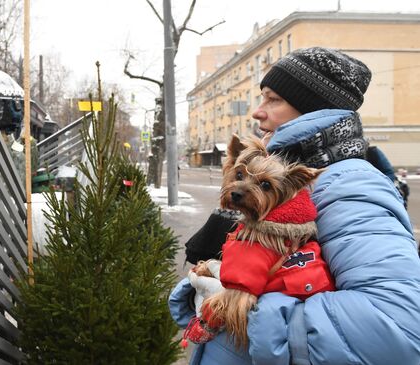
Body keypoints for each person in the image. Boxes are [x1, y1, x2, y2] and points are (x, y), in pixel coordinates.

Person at [169, 47, 420, 364]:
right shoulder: (285, 173)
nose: (258, 112)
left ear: (312, 110)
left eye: (273, 99)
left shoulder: (348, 183)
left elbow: (398, 328)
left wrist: (243, 309)